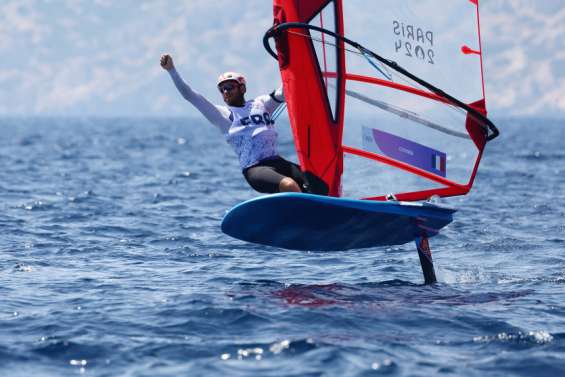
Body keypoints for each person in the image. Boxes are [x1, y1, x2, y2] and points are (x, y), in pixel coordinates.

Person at [160, 53, 312, 194]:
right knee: (289, 185)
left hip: (278, 162)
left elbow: (284, 91)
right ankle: (304, 219)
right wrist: (171, 70)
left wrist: (298, 59)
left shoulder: (261, 104)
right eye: (222, 89)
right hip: (255, 169)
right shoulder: (223, 116)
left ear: (242, 88)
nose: (225, 92)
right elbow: (190, 95)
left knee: (315, 182)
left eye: (229, 87)